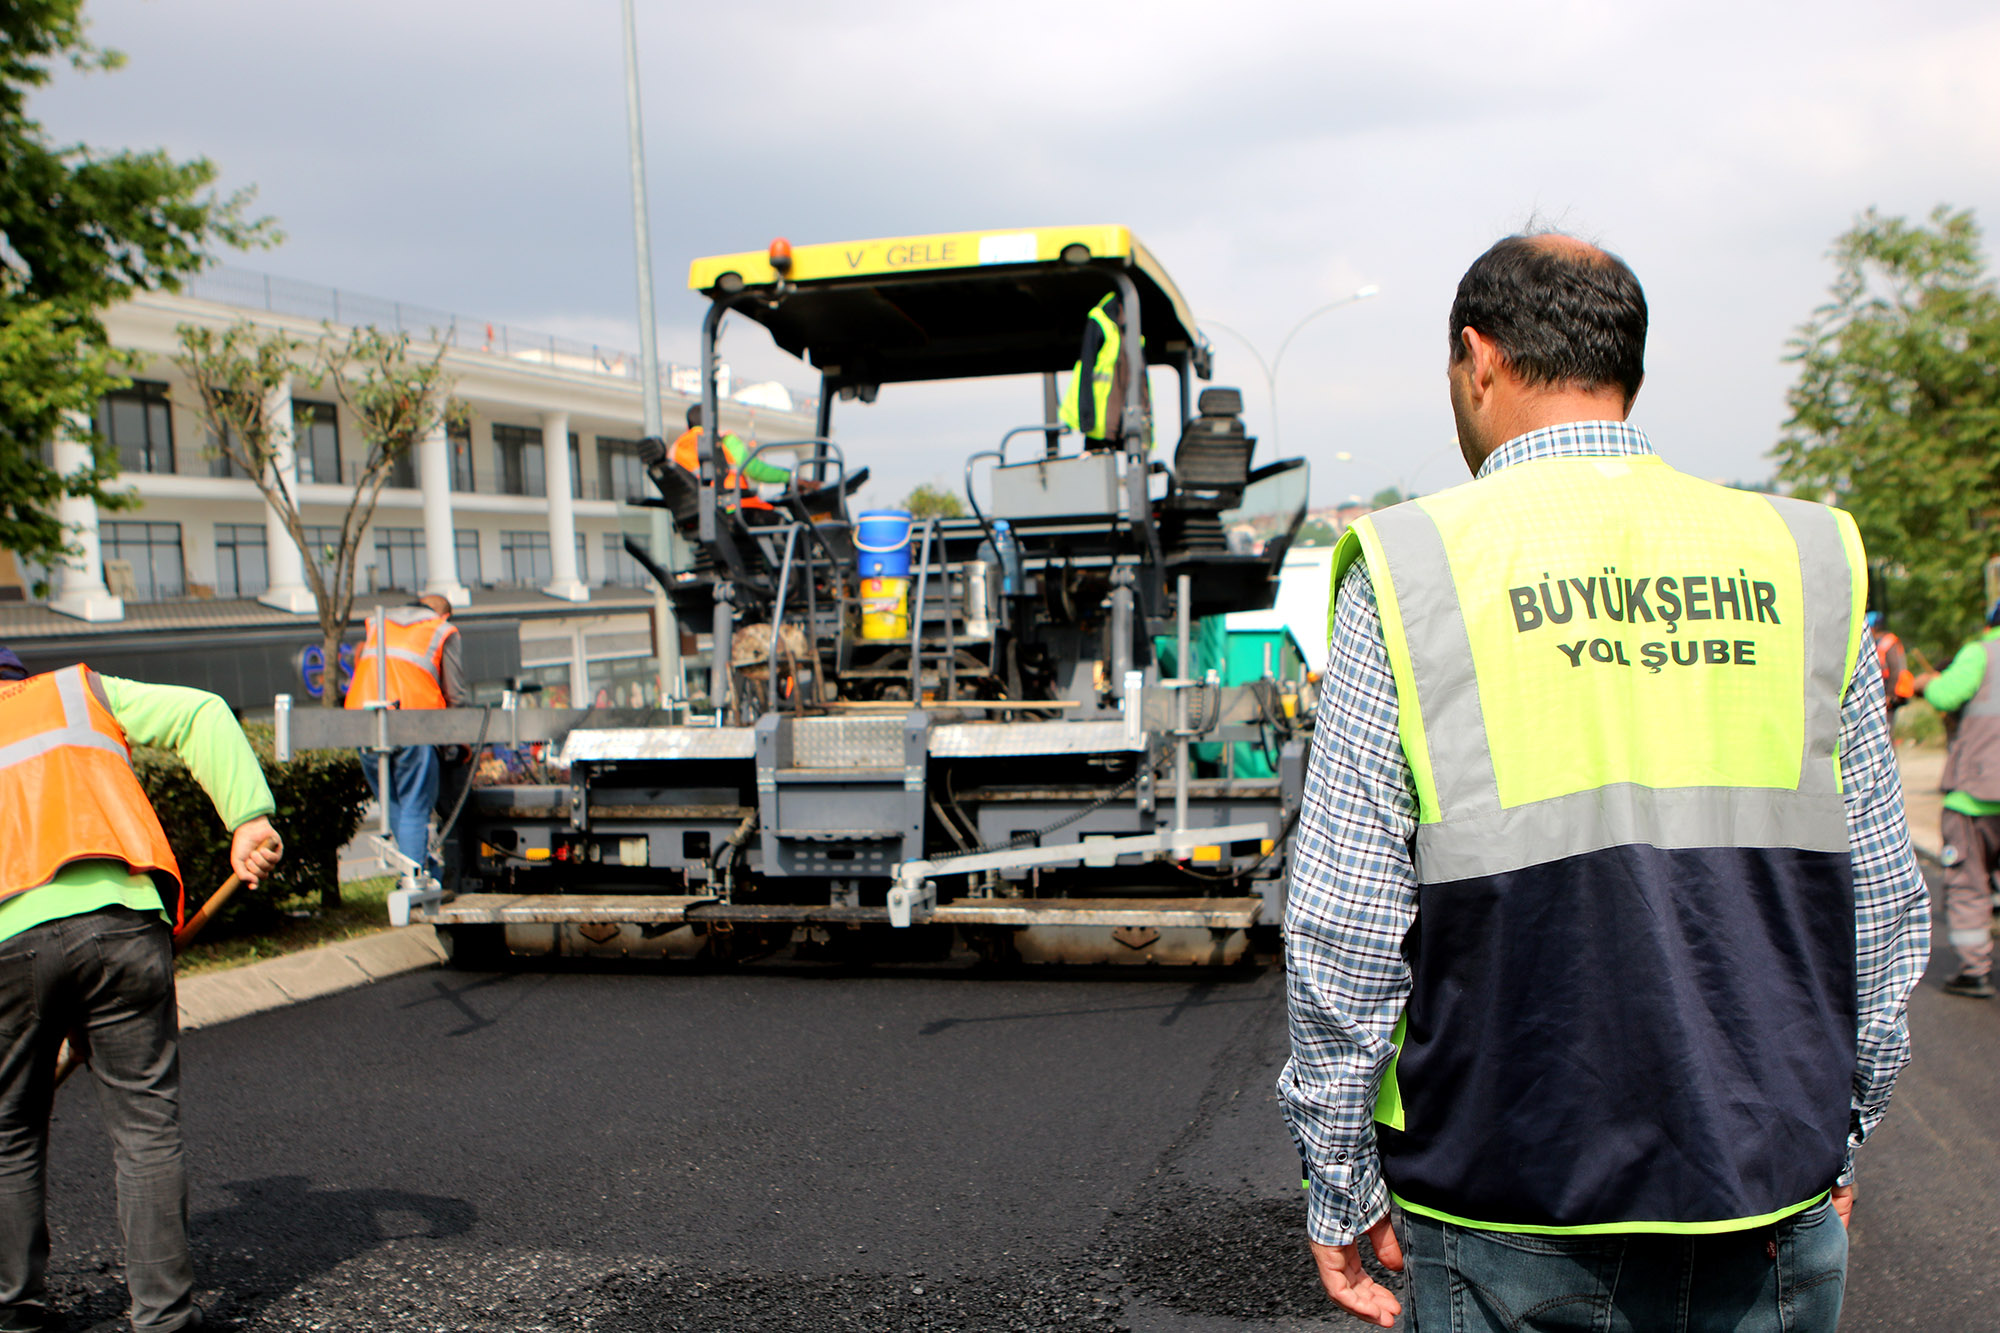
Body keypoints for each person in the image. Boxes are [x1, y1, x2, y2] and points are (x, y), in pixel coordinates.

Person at [1278, 233, 1931, 1332]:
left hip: (1506, 1197)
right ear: (1624, 364)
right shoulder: (1801, 555)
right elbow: (1878, 905)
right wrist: (1838, 1133)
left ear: (1477, 359)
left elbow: (1344, 927)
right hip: (1764, 1189)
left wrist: (1337, 1182)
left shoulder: (1417, 564)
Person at [0, 642, 283, 1331]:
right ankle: (163, 1317)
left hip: (9, 941)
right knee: (145, 1129)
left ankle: (14, 1310)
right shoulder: (78, 691)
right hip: (124, 924)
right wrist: (248, 817)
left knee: (8, 1130)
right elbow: (203, 711)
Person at [1912, 600, 2000, 999]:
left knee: (1969, 883)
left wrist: (1926, 682)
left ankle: (1974, 970)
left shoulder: (1980, 652)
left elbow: (1947, 696)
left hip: (1976, 796)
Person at [344, 593, 466, 876]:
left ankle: (418, 867)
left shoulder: (378, 623)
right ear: (444, 615)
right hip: (414, 722)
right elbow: (456, 696)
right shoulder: (441, 629)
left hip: (365, 724)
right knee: (414, 804)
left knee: (393, 803)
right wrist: (459, 741)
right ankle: (415, 880)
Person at [1058, 292, 1150, 451]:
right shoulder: (1100, 322)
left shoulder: (1134, 337)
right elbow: (1086, 371)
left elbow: (1142, 385)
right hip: (1099, 424)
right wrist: (1087, 418)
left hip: (1125, 422)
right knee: (1097, 463)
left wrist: (1146, 425)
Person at [670, 404, 794, 512]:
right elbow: (755, 470)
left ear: (688, 427)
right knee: (792, 530)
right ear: (713, 422)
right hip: (737, 508)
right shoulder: (724, 440)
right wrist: (792, 478)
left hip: (702, 513)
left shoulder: (676, 448)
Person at [1870, 610, 1917, 728]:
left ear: (1873, 628)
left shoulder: (1888, 642)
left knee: (1886, 727)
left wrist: (1889, 695)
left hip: (1893, 692)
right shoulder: (1878, 642)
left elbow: (1895, 670)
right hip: (1886, 691)